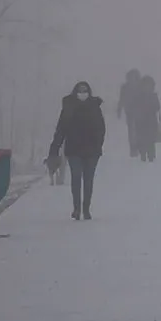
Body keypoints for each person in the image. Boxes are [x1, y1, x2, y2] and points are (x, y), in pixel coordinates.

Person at [49, 81, 106, 220]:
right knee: (76, 178)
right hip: (74, 149)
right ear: (75, 92)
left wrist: (98, 143)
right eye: (80, 91)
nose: (82, 93)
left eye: (85, 90)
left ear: (89, 92)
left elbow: (101, 128)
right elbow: (61, 130)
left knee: (88, 180)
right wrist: (54, 149)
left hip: (92, 150)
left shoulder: (94, 107)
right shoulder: (69, 107)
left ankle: (86, 209)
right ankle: (76, 208)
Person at [135, 75, 161, 162]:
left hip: (151, 121)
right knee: (142, 138)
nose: (147, 87)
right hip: (141, 121)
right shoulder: (138, 96)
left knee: (151, 139)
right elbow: (134, 107)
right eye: (145, 85)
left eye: (149, 85)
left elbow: (158, 107)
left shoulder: (154, 96)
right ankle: (143, 154)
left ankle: (151, 155)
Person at [117, 69, 142, 157]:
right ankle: (133, 149)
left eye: (134, 76)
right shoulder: (124, 87)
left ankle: (139, 147)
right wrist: (119, 109)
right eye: (131, 77)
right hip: (129, 112)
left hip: (140, 112)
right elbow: (121, 98)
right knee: (131, 131)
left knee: (139, 130)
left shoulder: (141, 86)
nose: (132, 79)